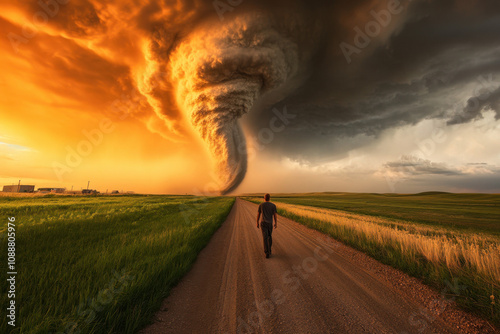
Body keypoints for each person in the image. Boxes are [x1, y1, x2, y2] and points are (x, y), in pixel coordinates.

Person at [256, 193, 277, 258]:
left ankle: (266, 252)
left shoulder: (261, 205)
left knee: (265, 238)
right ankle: (269, 250)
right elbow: (275, 215)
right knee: (269, 236)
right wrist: (276, 223)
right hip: (270, 223)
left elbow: (258, 214)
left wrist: (257, 222)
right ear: (269, 198)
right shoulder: (273, 205)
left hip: (263, 223)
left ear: (264, 198)